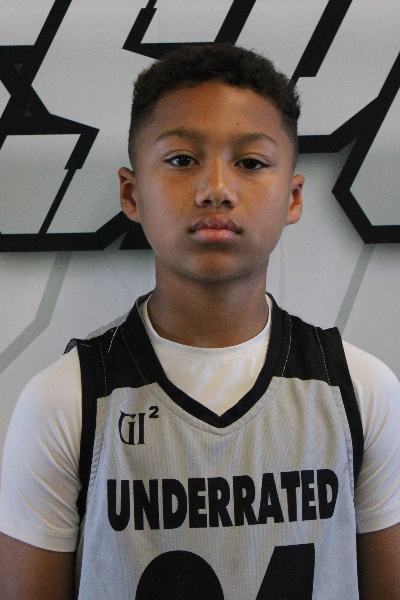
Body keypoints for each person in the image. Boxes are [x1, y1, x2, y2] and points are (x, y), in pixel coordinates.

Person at [1, 43, 400, 600]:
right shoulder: (64, 402)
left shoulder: (361, 391)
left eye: (251, 162)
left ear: (293, 197)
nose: (216, 189)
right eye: (182, 160)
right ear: (132, 193)